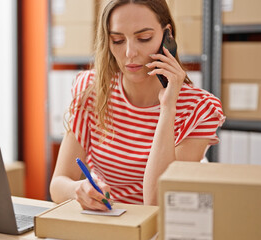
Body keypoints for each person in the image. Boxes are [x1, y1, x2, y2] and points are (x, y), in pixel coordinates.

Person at [50, 0, 225, 211]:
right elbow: (58, 185)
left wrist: (168, 108)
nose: (129, 53)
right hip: (104, 224)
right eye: (117, 40)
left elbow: (156, 201)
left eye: (144, 38)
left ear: (167, 36)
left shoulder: (198, 109)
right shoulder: (91, 88)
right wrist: (79, 190)